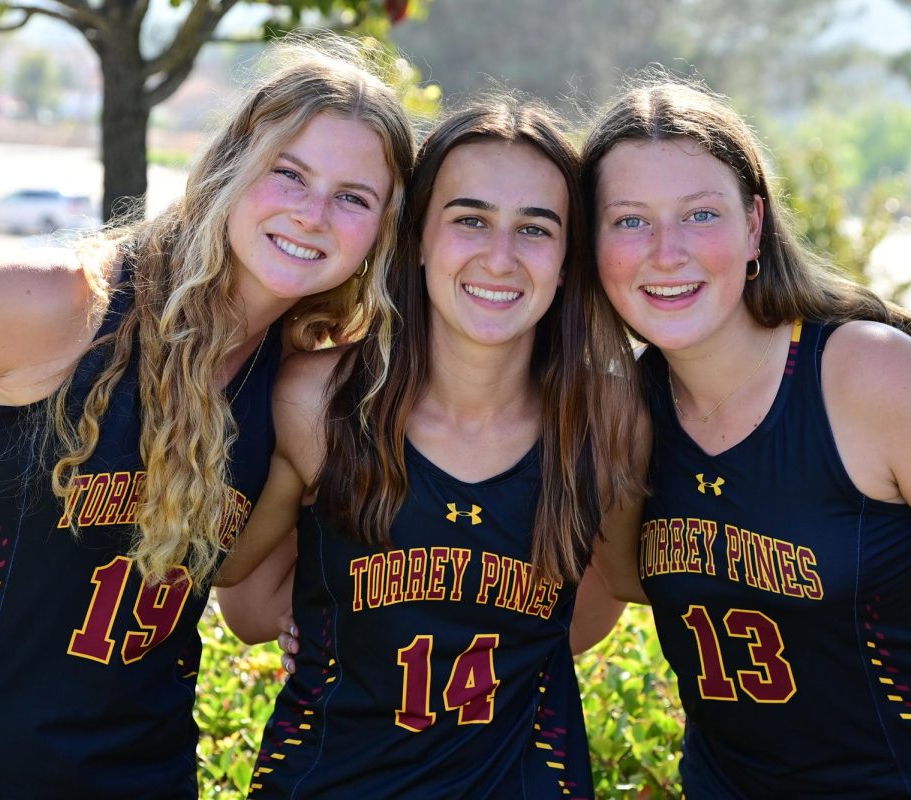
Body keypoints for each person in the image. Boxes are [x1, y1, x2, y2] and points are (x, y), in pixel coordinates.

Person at [0, 37, 413, 798]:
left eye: (353, 197)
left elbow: (247, 603)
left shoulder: (295, 384)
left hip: (143, 775)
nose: (313, 213)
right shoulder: (58, 305)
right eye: (287, 173)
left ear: (383, 236)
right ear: (231, 168)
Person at [583, 77, 911, 798]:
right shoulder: (621, 410)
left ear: (753, 227)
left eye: (700, 215)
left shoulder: (867, 375)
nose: (666, 250)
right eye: (629, 221)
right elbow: (614, 585)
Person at [213, 96, 645, 798]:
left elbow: (593, 605)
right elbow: (243, 592)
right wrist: (328, 624)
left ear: (569, 260)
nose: (498, 258)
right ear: (416, 237)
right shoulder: (318, 400)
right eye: (469, 219)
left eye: (535, 229)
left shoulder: (605, 417)